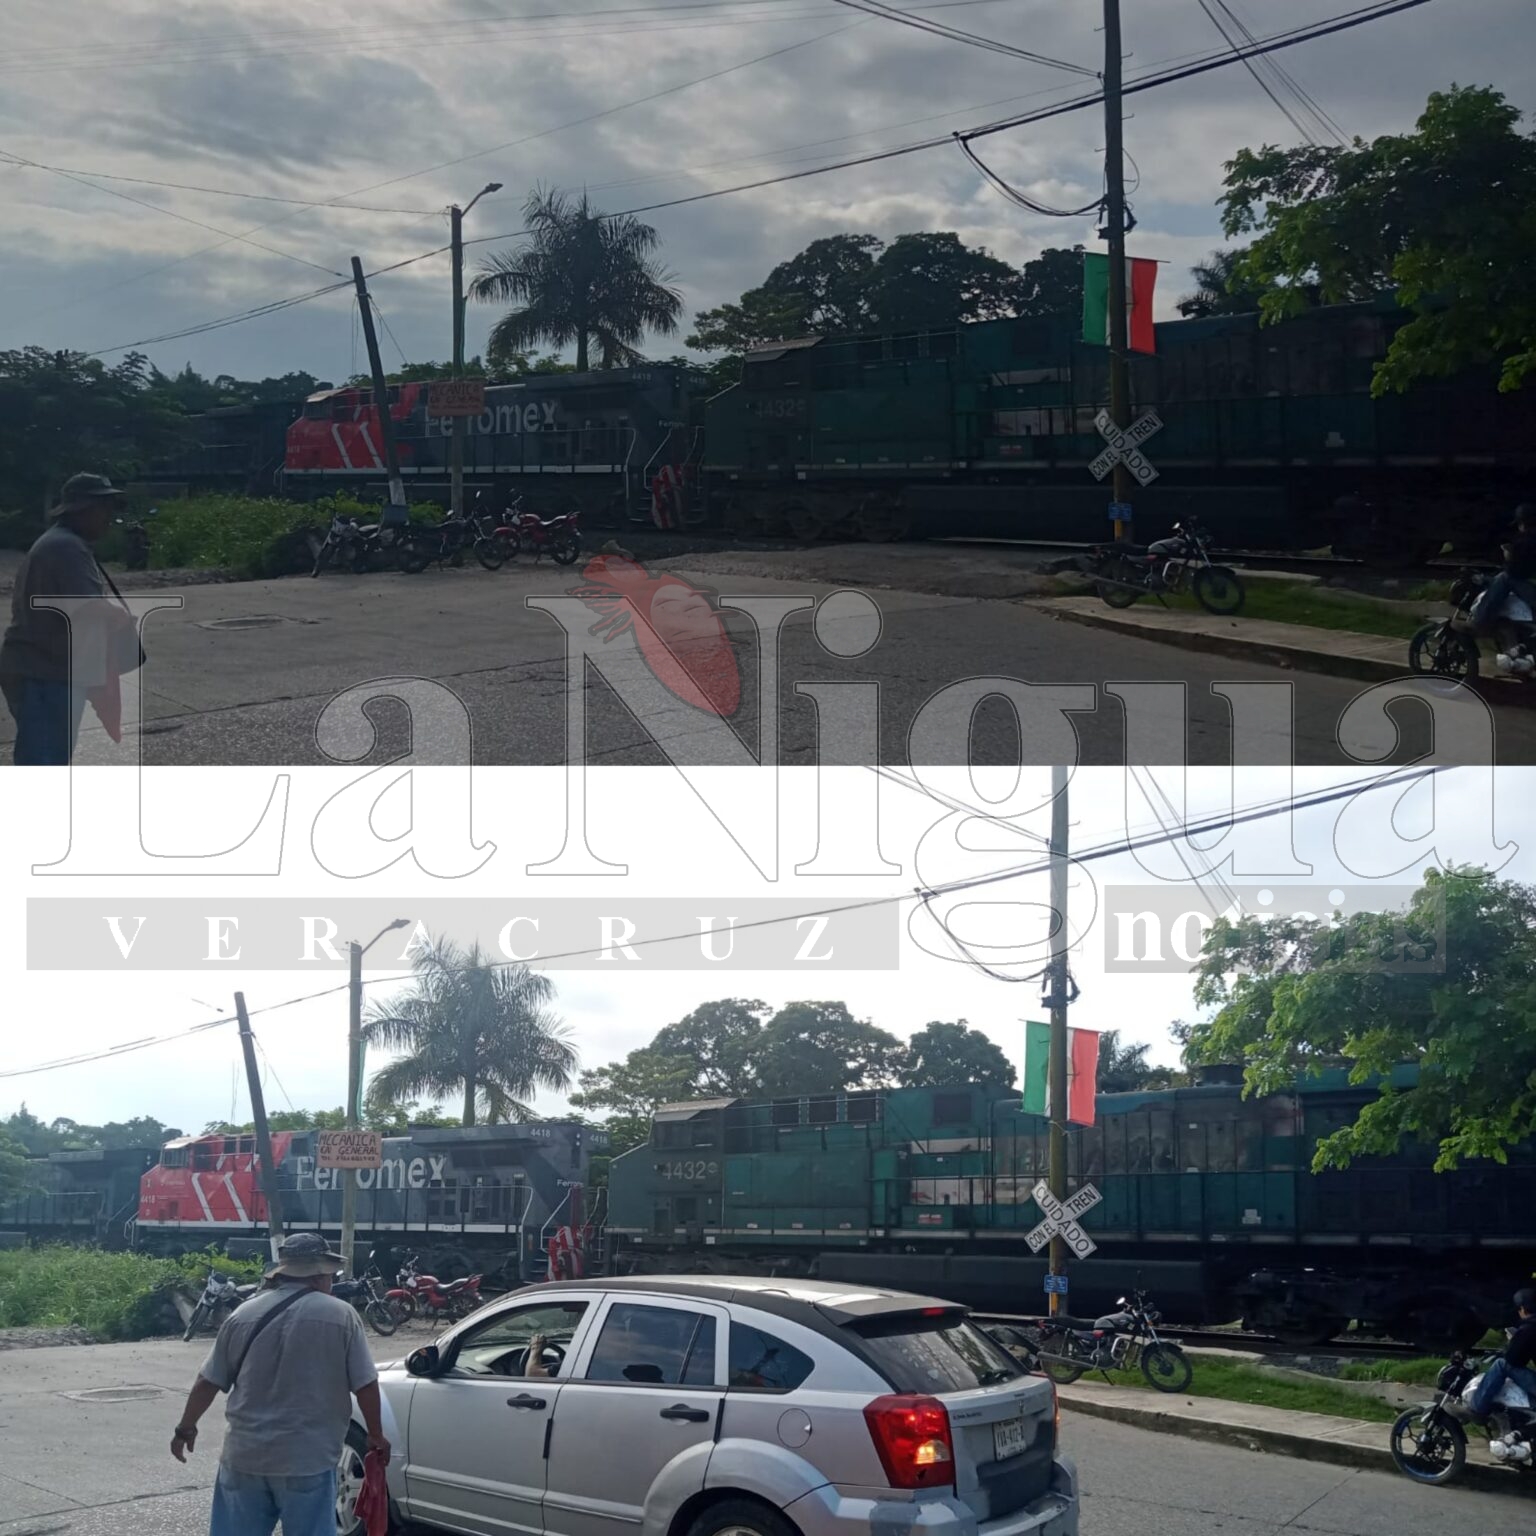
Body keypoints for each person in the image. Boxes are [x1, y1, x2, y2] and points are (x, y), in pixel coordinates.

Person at [169, 1232, 390, 1536]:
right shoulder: (342, 1316)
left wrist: (185, 1428)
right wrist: (376, 1436)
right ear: (320, 1275)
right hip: (307, 1462)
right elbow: (365, 1383)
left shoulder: (242, 1314)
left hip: (243, 1458)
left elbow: (207, 1381)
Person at [0, 472, 143, 764]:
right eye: (103, 507)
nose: (108, 516)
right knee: (45, 762)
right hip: (44, 674)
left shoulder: (61, 542)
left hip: (41, 668)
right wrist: (121, 618)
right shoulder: (67, 547)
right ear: (82, 509)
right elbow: (89, 609)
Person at [1458, 1287, 1536, 1423]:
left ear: (1523, 1309)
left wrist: (1514, 1341)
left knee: (1501, 1364)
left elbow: (1513, 1360)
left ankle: (1476, 1409)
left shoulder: (1529, 1327)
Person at [1472, 504, 1536, 635]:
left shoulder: (1527, 541)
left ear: (1523, 523)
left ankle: (1481, 621)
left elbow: (1515, 572)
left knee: (1505, 578)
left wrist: (1508, 556)